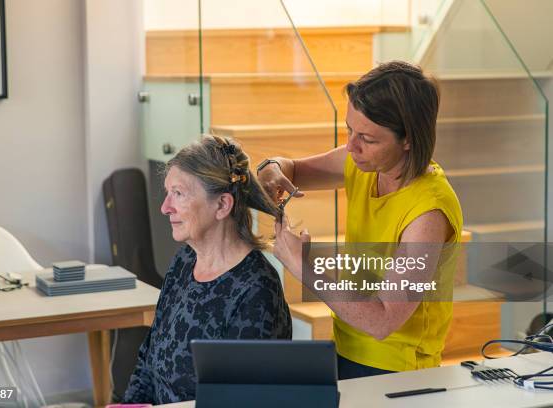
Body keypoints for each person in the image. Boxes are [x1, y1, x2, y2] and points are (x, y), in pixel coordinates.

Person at [258, 61, 462, 379]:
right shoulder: (365, 162)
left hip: (398, 369)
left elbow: (382, 321)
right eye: (350, 129)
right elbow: (291, 168)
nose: (351, 146)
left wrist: (302, 267)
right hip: (346, 346)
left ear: (408, 139)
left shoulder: (428, 214)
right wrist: (271, 168)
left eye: (366, 137)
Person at [123, 134, 292, 405]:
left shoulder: (256, 290)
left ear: (222, 205)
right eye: (168, 193)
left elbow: (240, 401)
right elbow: (149, 361)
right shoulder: (184, 261)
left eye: (178, 194)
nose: (165, 207)